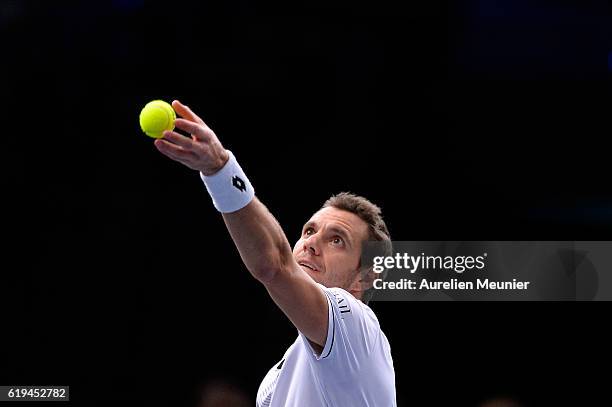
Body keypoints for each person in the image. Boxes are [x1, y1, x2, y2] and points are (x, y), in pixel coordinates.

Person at [154, 100, 396, 406]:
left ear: (363, 277)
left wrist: (220, 170)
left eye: (337, 240)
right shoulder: (277, 378)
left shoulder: (358, 328)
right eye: (309, 231)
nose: (311, 243)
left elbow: (275, 265)